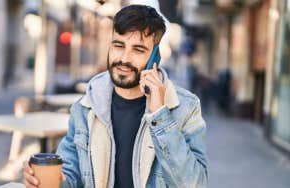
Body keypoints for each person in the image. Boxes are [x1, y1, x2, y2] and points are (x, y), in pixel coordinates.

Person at [23, 5, 208, 188]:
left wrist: (160, 115)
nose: (124, 58)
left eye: (138, 50)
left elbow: (194, 184)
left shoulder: (185, 107)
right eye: (118, 45)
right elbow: (72, 177)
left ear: (155, 58)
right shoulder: (85, 107)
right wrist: (51, 182)